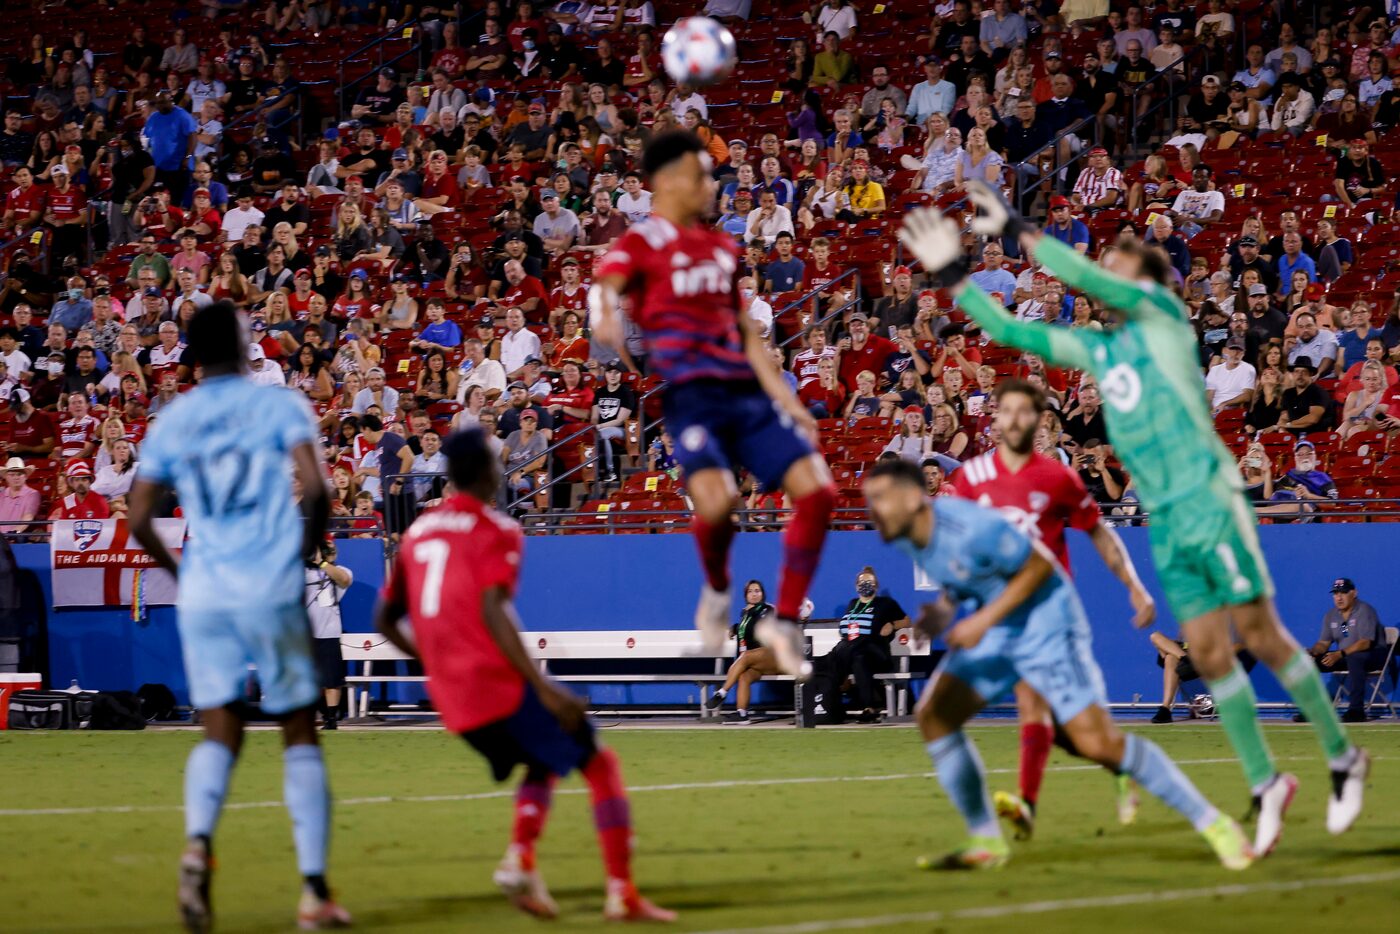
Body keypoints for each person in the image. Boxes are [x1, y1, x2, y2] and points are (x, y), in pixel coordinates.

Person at [899, 181, 1370, 858]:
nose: (1109, 271)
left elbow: (1088, 274)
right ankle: (1266, 784)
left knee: (1261, 635)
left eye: (1121, 262)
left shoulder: (1163, 315)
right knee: (1206, 653)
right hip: (1167, 522)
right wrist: (951, 274)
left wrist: (1020, 225)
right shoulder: (1101, 352)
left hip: (1210, 499)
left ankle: (1341, 756)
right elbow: (1007, 331)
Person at [862, 459, 1252, 871]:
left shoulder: (969, 524)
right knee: (935, 716)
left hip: (1048, 626)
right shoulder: (908, 537)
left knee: (1099, 743)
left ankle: (1217, 825)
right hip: (1001, 631)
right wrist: (944, 612)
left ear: (911, 498)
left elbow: (1037, 568)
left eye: (880, 500)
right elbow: (969, 580)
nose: (873, 510)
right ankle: (987, 841)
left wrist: (980, 620)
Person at [372, 428, 676, 922]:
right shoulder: (499, 530)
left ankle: (521, 859)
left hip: (451, 698)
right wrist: (545, 688)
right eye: (496, 462)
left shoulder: (419, 531)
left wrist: (437, 664)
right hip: (494, 685)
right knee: (598, 761)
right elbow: (495, 610)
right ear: (485, 472)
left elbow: (385, 620)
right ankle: (622, 893)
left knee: (546, 758)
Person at [128, 301, 349, 931]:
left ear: (192, 355)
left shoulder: (174, 419)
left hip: (207, 588)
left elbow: (139, 518)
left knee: (219, 729)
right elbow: (319, 488)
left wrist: (183, 575)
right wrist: (297, 551)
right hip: (269, 582)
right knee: (299, 733)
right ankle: (313, 891)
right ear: (246, 344)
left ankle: (198, 843)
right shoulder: (278, 404)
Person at [592, 131, 836, 680]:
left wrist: (786, 399)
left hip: (746, 395)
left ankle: (789, 623)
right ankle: (719, 590)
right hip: (693, 398)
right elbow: (606, 281)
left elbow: (747, 334)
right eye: (701, 174)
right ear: (669, 180)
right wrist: (603, 310)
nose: (711, 184)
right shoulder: (641, 241)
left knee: (819, 493)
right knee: (720, 504)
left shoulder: (723, 249)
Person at [951, 379, 1157, 838]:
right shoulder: (970, 478)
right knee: (1060, 722)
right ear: (995, 418)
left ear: (1038, 420)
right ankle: (1120, 766)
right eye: (1006, 411)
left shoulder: (1056, 477)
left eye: (1025, 412)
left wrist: (1134, 586)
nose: (1015, 420)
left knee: (1036, 706)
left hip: (1050, 607)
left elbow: (1099, 532)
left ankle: (1029, 804)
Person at [810, 567, 910, 724]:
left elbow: (907, 620)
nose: (866, 584)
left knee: (854, 648)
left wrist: (892, 624)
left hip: (877, 653)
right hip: (854, 654)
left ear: (876, 585)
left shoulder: (885, 603)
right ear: (857, 586)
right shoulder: (853, 604)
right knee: (859, 658)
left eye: (869, 581)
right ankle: (868, 708)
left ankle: (829, 668)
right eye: (862, 582)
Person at [1305, 579, 1389, 724]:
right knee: (1310, 662)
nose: (1339, 597)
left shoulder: (1365, 610)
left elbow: (1365, 642)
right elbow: (1324, 643)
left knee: (1355, 658)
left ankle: (1356, 711)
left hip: (1374, 655)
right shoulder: (1331, 616)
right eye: (1336, 593)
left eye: (1344, 593)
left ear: (1354, 593)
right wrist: (1313, 652)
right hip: (1346, 655)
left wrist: (1340, 654)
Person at [704, 580, 778, 723]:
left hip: (775, 658)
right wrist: (737, 627)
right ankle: (742, 713)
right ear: (745, 595)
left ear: (763, 593)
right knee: (744, 676)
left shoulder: (767, 609)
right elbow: (747, 634)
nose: (754, 594)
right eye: (750, 591)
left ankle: (722, 693)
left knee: (746, 656)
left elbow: (760, 627)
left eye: (757, 591)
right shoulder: (746, 614)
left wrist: (738, 627)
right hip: (758, 662)